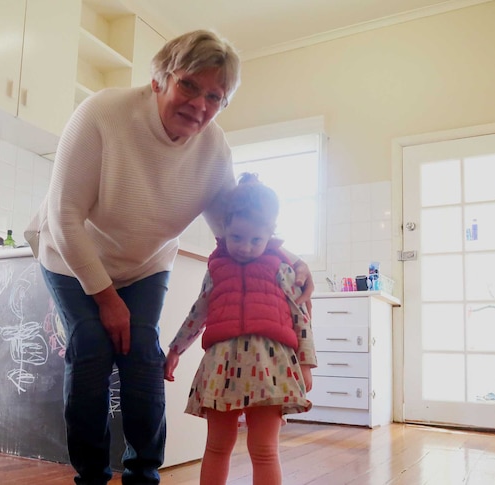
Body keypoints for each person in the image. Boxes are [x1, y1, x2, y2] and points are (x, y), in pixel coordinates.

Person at [24, 30, 314, 485]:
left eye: (215, 96)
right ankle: (92, 477)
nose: (200, 104)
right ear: (160, 78)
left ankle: (144, 475)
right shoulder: (102, 114)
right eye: (189, 86)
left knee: (142, 357)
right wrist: (105, 299)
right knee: (91, 352)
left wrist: (291, 260)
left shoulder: (214, 149)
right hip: (71, 254)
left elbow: (236, 228)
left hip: (145, 265)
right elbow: (63, 217)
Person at [163, 173, 317, 485]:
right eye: (237, 238)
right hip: (222, 367)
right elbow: (198, 312)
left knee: (264, 450)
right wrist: (176, 348)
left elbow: (301, 318)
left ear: (270, 235)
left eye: (256, 240)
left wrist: (306, 364)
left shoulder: (282, 269)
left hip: (270, 368)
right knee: (217, 447)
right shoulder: (216, 268)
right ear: (224, 231)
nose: (245, 247)